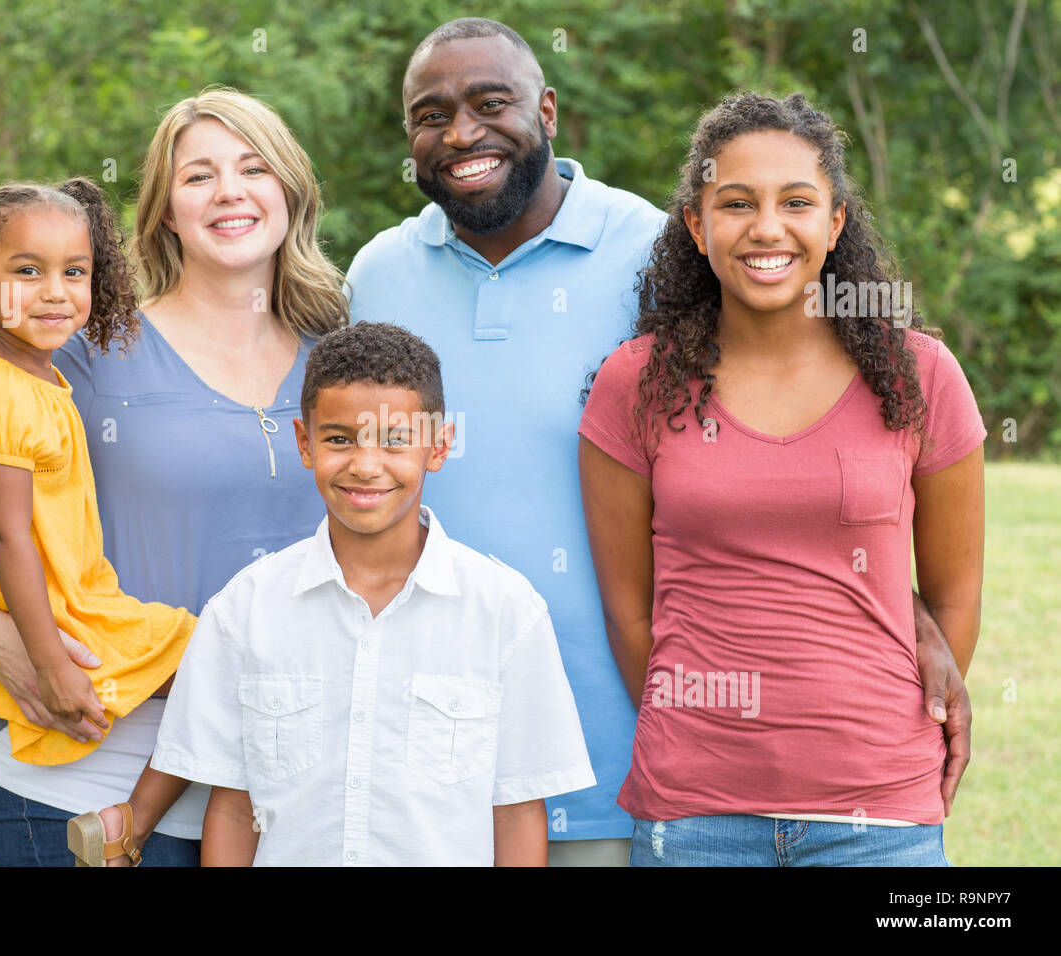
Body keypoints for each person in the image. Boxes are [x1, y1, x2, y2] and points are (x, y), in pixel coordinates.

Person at [344, 16, 973, 866]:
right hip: (455, 747)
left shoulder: (650, 248)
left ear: (550, 109)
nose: (462, 133)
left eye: (492, 103)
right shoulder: (377, 275)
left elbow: (931, 564)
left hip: (634, 768)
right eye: (431, 113)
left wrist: (913, 640)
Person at [0, 88, 347, 865]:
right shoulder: (75, 350)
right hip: (87, 779)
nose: (229, 191)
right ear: (165, 209)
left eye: (253, 168)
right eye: (198, 176)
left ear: (289, 190)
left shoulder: (340, 356)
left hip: (284, 795)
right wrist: (11, 650)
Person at [578, 92, 985, 865]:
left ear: (834, 223)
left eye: (796, 201)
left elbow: (956, 598)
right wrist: (708, 737)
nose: (767, 227)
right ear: (697, 227)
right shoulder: (635, 383)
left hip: (879, 820)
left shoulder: (921, 376)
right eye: (736, 203)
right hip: (695, 816)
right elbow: (630, 615)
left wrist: (888, 728)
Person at [84, 322, 594, 866]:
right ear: (304, 443)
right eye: (339, 438)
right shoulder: (244, 611)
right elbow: (233, 808)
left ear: (439, 445)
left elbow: (516, 812)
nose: (366, 465)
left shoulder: (506, 613)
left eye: (396, 440)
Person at [0, 176, 195, 765]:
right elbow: (8, 535)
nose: (55, 292)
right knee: (229, 673)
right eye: (27, 272)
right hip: (62, 617)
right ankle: (133, 822)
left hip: (70, 601)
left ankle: (138, 816)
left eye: (74, 272)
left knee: (220, 679)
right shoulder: (7, 393)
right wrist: (50, 663)